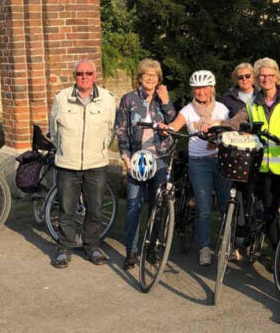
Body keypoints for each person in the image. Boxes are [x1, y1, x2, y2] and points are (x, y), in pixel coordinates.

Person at [226, 58, 280, 253]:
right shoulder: (253, 103)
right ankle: (279, 254)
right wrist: (217, 127)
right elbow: (236, 122)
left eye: (270, 75)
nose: (266, 79)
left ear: (277, 77)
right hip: (265, 168)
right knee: (269, 213)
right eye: (262, 76)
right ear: (258, 79)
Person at [49, 59, 116, 268]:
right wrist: (65, 149)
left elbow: (111, 129)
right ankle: (65, 247)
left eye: (88, 73)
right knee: (66, 209)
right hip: (67, 164)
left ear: (95, 76)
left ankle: (92, 246)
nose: (84, 77)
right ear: (74, 76)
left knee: (95, 208)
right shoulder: (61, 98)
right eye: (80, 74)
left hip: (96, 163)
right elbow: (54, 131)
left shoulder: (107, 99)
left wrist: (100, 148)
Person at [162, 70, 230, 266]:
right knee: (203, 208)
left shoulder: (222, 109)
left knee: (227, 204)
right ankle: (204, 247)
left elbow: (230, 127)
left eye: (204, 88)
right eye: (197, 88)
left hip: (221, 160)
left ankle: (227, 245)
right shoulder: (188, 110)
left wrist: (217, 124)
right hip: (199, 162)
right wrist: (167, 129)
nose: (200, 92)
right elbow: (175, 125)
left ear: (212, 89)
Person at [115, 59, 177, 270]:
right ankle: (131, 251)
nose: (150, 78)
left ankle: (152, 247)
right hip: (137, 159)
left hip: (159, 158)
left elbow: (174, 123)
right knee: (133, 204)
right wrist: (126, 159)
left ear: (159, 79)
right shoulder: (129, 100)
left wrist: (167, 102)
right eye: (146, 74)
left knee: (156, 205)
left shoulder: (163, 100)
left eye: (154, 75)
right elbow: (121, 130)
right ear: (139, 78)